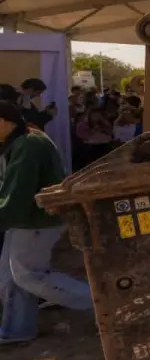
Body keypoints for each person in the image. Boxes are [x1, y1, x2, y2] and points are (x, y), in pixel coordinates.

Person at [0, 101, 92, 344]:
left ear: (3, 120)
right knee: (11, 276)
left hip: (36, 221)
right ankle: (17, 330)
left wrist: (4, 215)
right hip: (30, 219)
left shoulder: (28, 145)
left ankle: (102, 303)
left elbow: (18, 193)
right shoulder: (24, 139)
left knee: (30, 275)